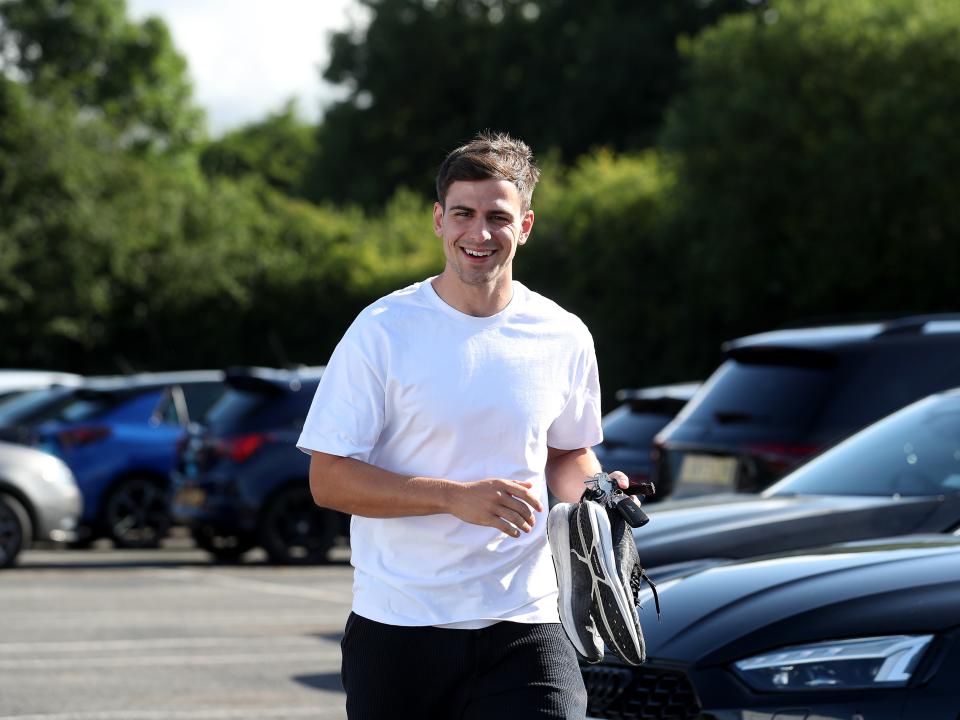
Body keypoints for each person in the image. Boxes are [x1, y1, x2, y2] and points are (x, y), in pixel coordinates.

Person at [297, 131, 637, 719]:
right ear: (438, 219)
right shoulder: (383, 330)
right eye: (463, 214)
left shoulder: (563, 334)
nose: (479, 234)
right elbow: (329, 480)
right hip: (401, 627)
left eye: (497, 217)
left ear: (525, 225)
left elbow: (567, 454)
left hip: (526, 623)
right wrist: (453, 498)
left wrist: (598, 494)